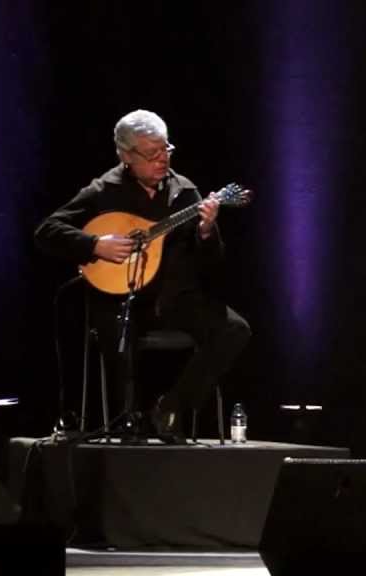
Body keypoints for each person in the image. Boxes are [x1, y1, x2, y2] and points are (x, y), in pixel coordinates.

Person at [34, 109, 250, 443]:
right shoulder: (104, 190)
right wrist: (95, 245)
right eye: (152, 154)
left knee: (234, 330)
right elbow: (47, 230)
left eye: (166, 150)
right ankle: (126, 420)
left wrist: (208, 231)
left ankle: (171, 409)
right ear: (125, 155)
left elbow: (212, 263)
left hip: (175, 298)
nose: (163, 160)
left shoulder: (185, 193)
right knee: (110, 324)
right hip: (125, 299)